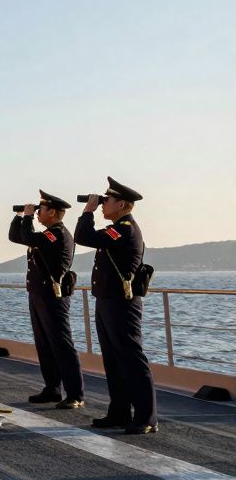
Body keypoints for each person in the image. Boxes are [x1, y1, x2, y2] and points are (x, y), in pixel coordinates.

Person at [75, 176, 157, 434]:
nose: (101, 204)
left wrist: (88, 209)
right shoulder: (119, 227)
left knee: (131, 359)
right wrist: (92, 207)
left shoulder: (124, 228)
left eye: (106, 200)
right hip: (108, 301)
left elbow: (83, 236)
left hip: (121, 304)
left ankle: (146, 418)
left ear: (121, 204)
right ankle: (120, 412)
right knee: (113, 359)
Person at [9, 190, 84, 408]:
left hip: (53, 296)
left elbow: (29, 237)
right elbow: (16, 237)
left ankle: (75, 394)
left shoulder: (57, 234)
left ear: (52, 211)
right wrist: (20, 216)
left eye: (41, 210)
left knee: (61, 345)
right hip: (38, 295)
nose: (38, 213)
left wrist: (28, 217)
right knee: (44, 344)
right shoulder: (47, 234)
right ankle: (52, 388)